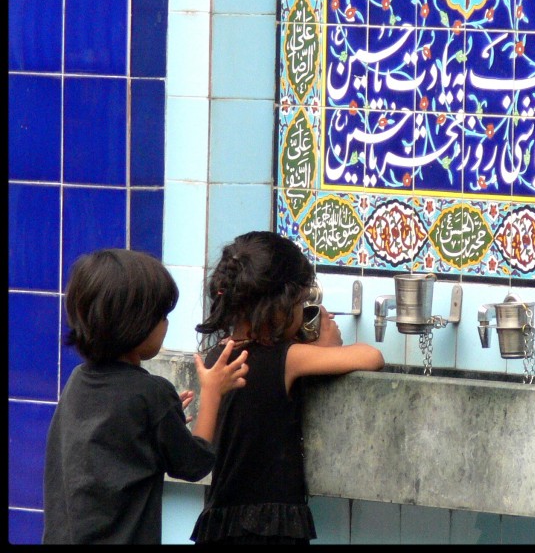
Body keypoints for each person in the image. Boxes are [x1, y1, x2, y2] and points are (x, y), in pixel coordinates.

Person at [190, 231, 384, 545]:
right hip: (271, 529)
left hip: (222, 521)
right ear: (281, 304)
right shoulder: (288, 358)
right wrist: (326, 346)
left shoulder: (218, 356)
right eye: (301, 302)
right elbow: (372, 357)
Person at [43, 249, 249, 544]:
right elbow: (194, 464)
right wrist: (213, 393)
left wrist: (163, 418)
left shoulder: (77, 382)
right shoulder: (151, 394)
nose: (166, 324)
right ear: (135, 324)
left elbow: (112, 444)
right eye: (162, 315)